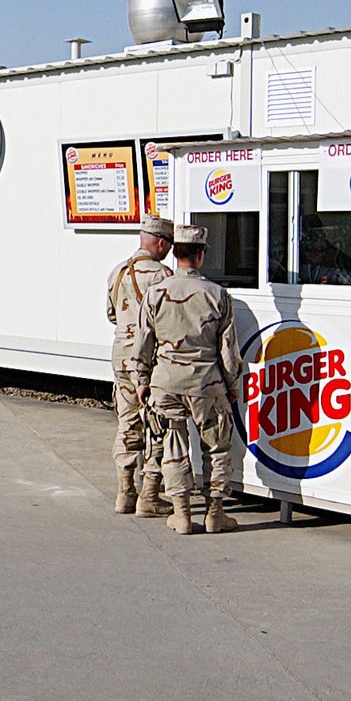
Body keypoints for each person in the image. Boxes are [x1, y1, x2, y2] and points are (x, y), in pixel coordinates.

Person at [132, 224, 245, 534]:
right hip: (206, 383)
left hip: (166, 383)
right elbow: (227, 350)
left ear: (175, 252)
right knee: (217, 448)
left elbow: (143, 343)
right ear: (201, 254)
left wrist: (141, 381)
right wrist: (232, 386)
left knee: (172, 444)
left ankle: (181, 514)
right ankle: (214, 514)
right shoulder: (218, 295)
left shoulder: (156, 292)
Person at [105, 216, 175, 517]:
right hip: (151, 359)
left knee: (127, 422)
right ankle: (150, 494)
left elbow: (110, 314)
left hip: (121, 356)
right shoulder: (163, 275)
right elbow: (169, 320)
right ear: (161, 243)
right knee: (157, 424)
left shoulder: (117, 272)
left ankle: (125, 492)